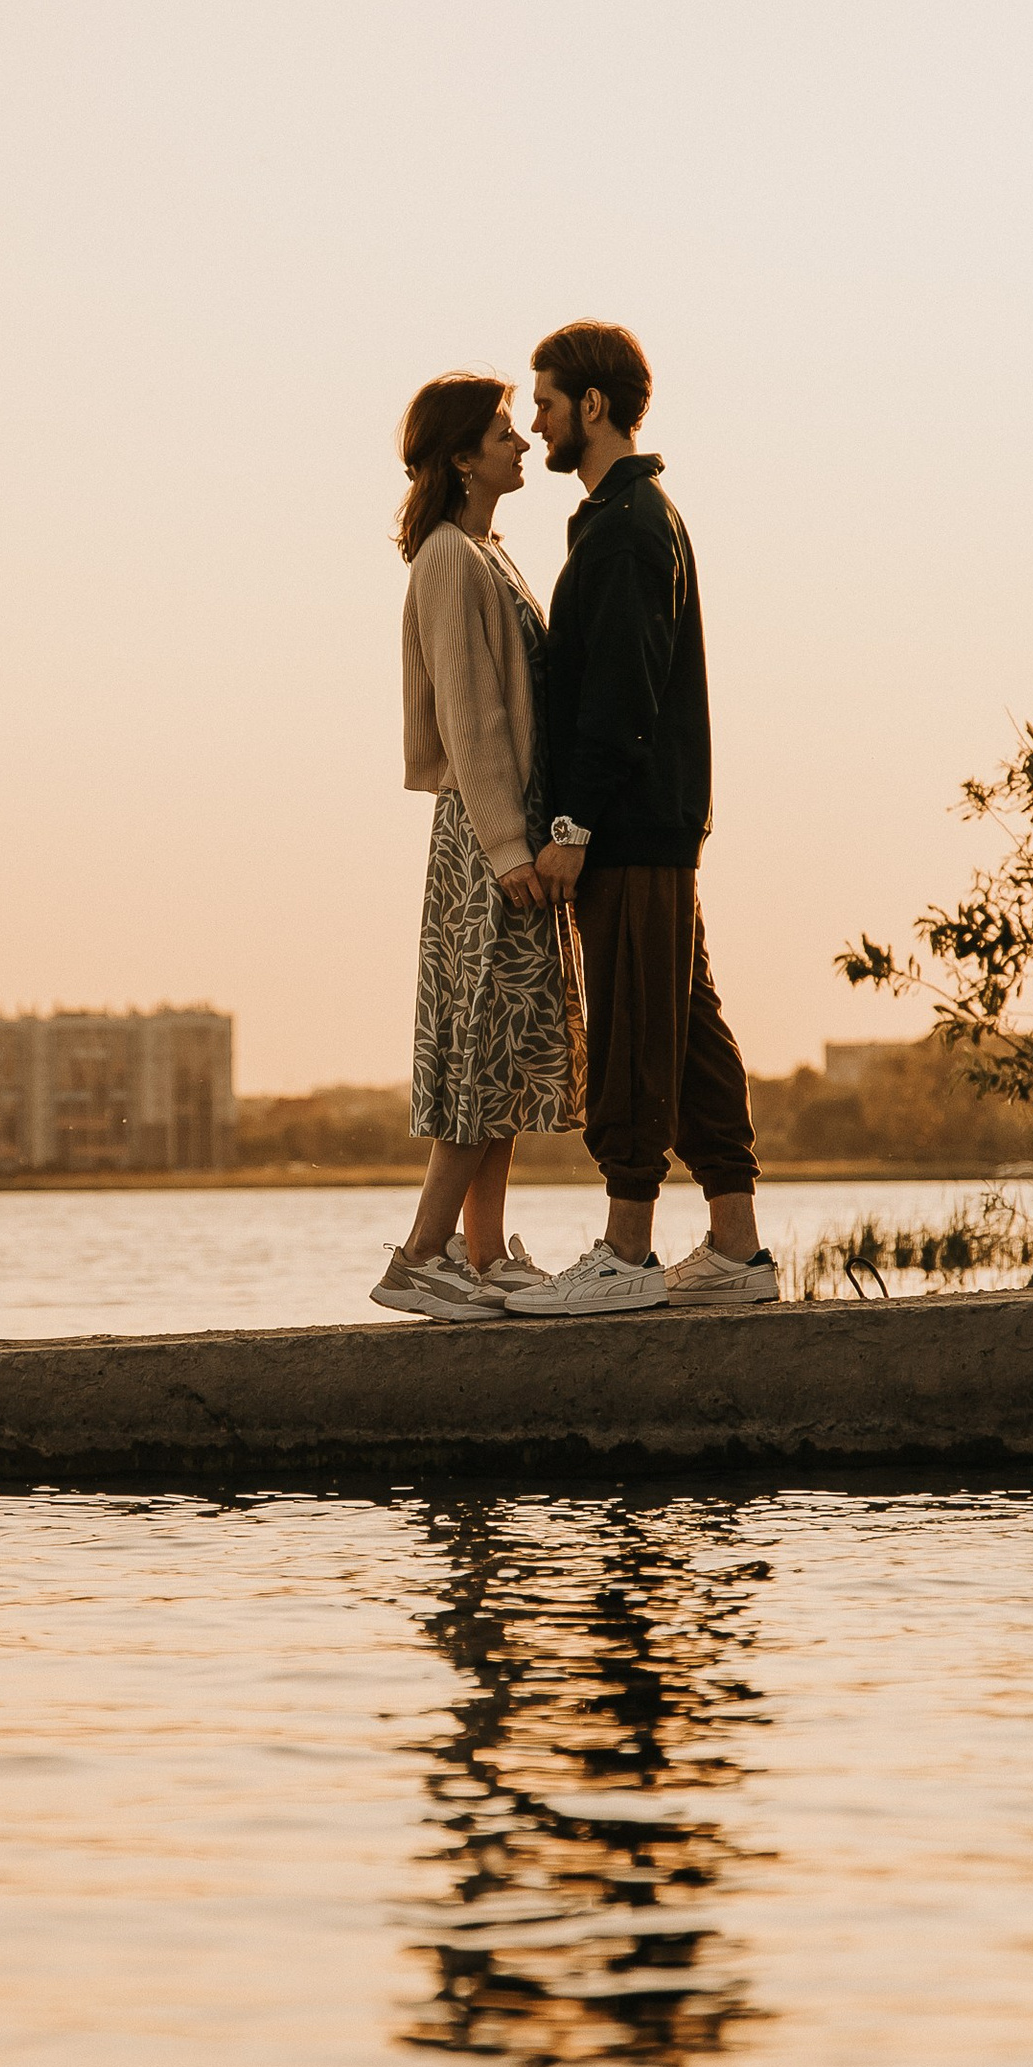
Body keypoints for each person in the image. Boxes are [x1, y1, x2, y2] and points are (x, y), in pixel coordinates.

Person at [502, 319, 778, 1318]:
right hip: (649, 826)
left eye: (544, 404)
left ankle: (625, 1252)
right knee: (688, 1030)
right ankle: (738, 1252)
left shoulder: (627, 527)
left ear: (593, 406)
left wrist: (570, 830)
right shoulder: (626, 518)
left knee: (628, 1031)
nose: (533, 426)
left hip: (629, 831)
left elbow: (620, 699)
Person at [371, 373, 585, 1321]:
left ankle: (488, 1255)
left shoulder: (487, 551)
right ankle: (421, 1258)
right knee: (476, 1054)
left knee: (497, 1055)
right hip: (486, 836)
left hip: (508, 829)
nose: (524, 441)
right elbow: (472, 712)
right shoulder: (452, 557)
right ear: (463, 456)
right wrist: (507, 845)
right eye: (506, 431)